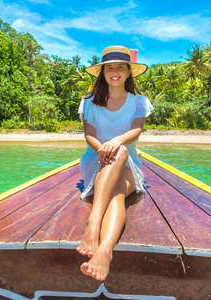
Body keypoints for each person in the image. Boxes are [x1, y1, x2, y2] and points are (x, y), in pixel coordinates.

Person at [76, 45, 153, 281]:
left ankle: (101, 244)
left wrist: (116, 143)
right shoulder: (89, 101)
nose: (115, 72)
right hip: (95, 160)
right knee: (117, 184)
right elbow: (89, 135)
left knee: (119, 169)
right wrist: (102, 149)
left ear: (129, 72)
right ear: (103, 73)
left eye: (120, 67)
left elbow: (135, 132)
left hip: (128, 162)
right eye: (110, 68)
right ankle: (102, 244)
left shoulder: (139, 101)